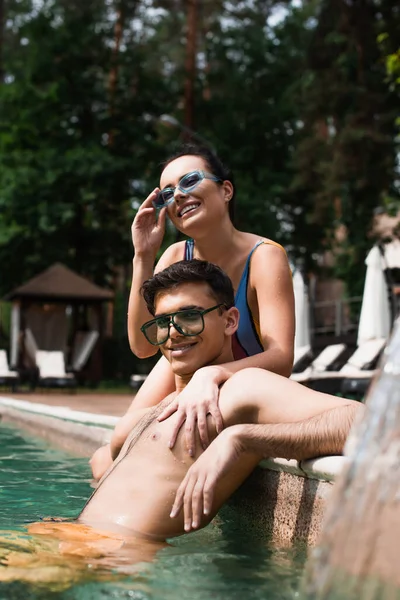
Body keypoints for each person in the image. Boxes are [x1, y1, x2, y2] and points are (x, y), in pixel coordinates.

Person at [74, 260, 362, 541]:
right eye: (163, 321)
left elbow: (365, 423)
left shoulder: (242, 387)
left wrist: (243, 439)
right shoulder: (160, 407)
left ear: (230, 321)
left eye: (190, 316)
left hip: (110, 557)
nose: (174, 332)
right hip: (67, 537)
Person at [90, 142, 295, 479]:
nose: (179, 196)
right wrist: (143, 256)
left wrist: (211, 375)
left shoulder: (265, 257)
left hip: (239, 384)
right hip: (186, 375)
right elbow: (144, 347)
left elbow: (282, 358)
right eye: (168, 193)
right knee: (111, 452)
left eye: (189, 181)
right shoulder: (173, 255)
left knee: (126, 451)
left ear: (226, 190)